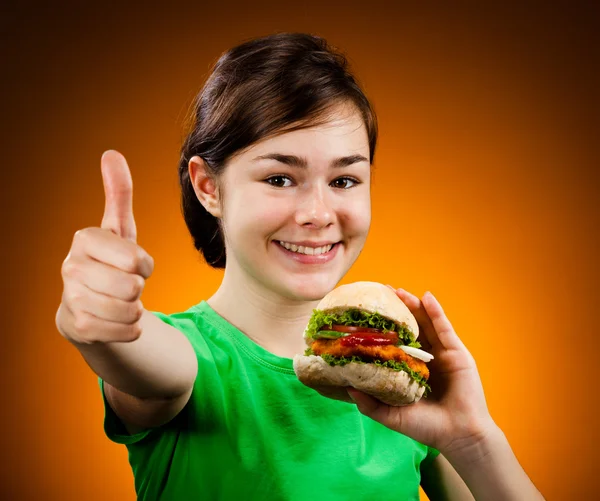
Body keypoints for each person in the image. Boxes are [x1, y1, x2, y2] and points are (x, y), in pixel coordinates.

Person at [55, 33, 545, 500]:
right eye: (279, 178)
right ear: (208, 187)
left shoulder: (409, 382)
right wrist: (107, 329)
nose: (318, 212)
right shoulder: (187, 359)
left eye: (346, 180)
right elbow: (139, 357)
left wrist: (474, 440)